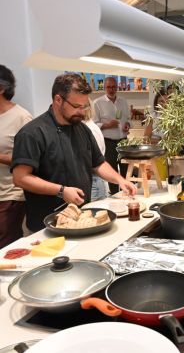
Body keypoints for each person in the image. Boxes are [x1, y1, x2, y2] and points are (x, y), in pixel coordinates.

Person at [11, 73, 136, 233]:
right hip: (47, 225)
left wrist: (120, 180)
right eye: (77, 107)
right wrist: (61, 190)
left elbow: (98, 163)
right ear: (58, 100)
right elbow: (20, 178)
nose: (82, 112)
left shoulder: (81, 129)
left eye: (85, 107)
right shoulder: (33, 133)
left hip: (83, 219)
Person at [0, 65, 32, 248]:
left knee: (7, 248)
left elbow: (31, 159)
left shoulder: (21, 118)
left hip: (10, 196)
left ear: (2, 88)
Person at [93, 76, 131, 195]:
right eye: (108, 87)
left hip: (123, 141)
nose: (111, 89)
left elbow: (128, 119)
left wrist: (128, 125)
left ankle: (128, 194)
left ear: (117, 88)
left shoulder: (123, 101)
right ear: (104, 88)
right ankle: (115, 195)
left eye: (114, 87)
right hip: (108, 142)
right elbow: (94, 124)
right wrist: (107, 125)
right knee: (112, 171)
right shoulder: (97, 103)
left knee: (126, 168)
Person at [83, 101, 109, 201]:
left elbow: (96, 160)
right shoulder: (83, 128)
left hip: (94, 182)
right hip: (90, 181)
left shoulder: (91, 129)